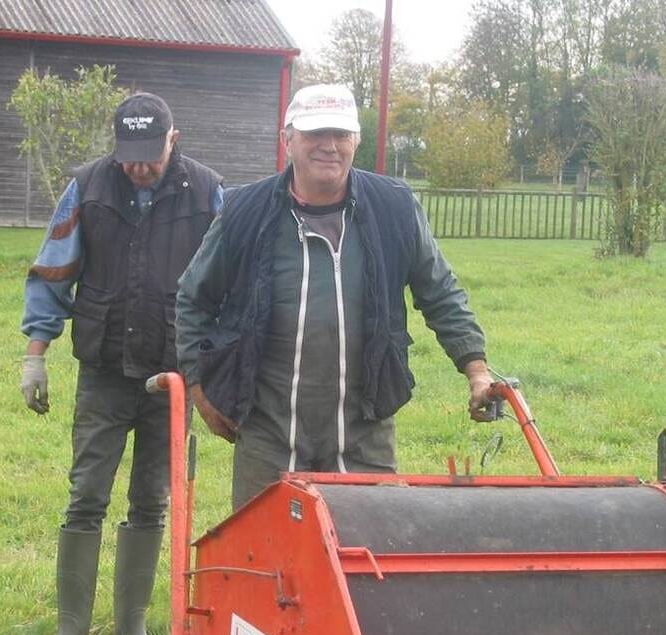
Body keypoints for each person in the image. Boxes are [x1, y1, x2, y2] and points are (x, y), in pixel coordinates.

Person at [175, 84, 494, 510]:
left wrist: (476, 370)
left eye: (341, 134)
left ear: (356, 141)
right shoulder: (243, 211)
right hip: (269, 430)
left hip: (365, 428)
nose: (329, 145)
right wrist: (199, 388)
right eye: (315, 133)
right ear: (288, 139)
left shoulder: (394, 207)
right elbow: (193, 299)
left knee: (366, 542)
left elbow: (440, 292)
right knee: (267, 545)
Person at [20, 92, 223, 635]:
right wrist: (35, 355)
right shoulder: (87, 187)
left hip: (173, 377)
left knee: (151, 499)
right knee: (86, 495)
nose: (138, 167)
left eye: (150, 155)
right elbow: (54, 269)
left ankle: (132, 631)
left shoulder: (209, 193)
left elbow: (228, 282)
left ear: (173, 139)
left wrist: (218, 365)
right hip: (104, 371)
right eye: (129, 155)